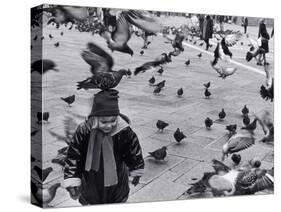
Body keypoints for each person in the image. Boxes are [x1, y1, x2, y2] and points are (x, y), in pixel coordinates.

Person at [63, 89, 144, 205]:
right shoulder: (84, 131)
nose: (109, 125)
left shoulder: (123, 131)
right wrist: (72, 178)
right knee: (92, 201)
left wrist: (136, 168)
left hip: (117, 180)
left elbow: (133, 150)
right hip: (91, 181)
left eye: (113, 121)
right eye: (104, 122)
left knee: (117, 201)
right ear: (95, 118)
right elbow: (74, 155)